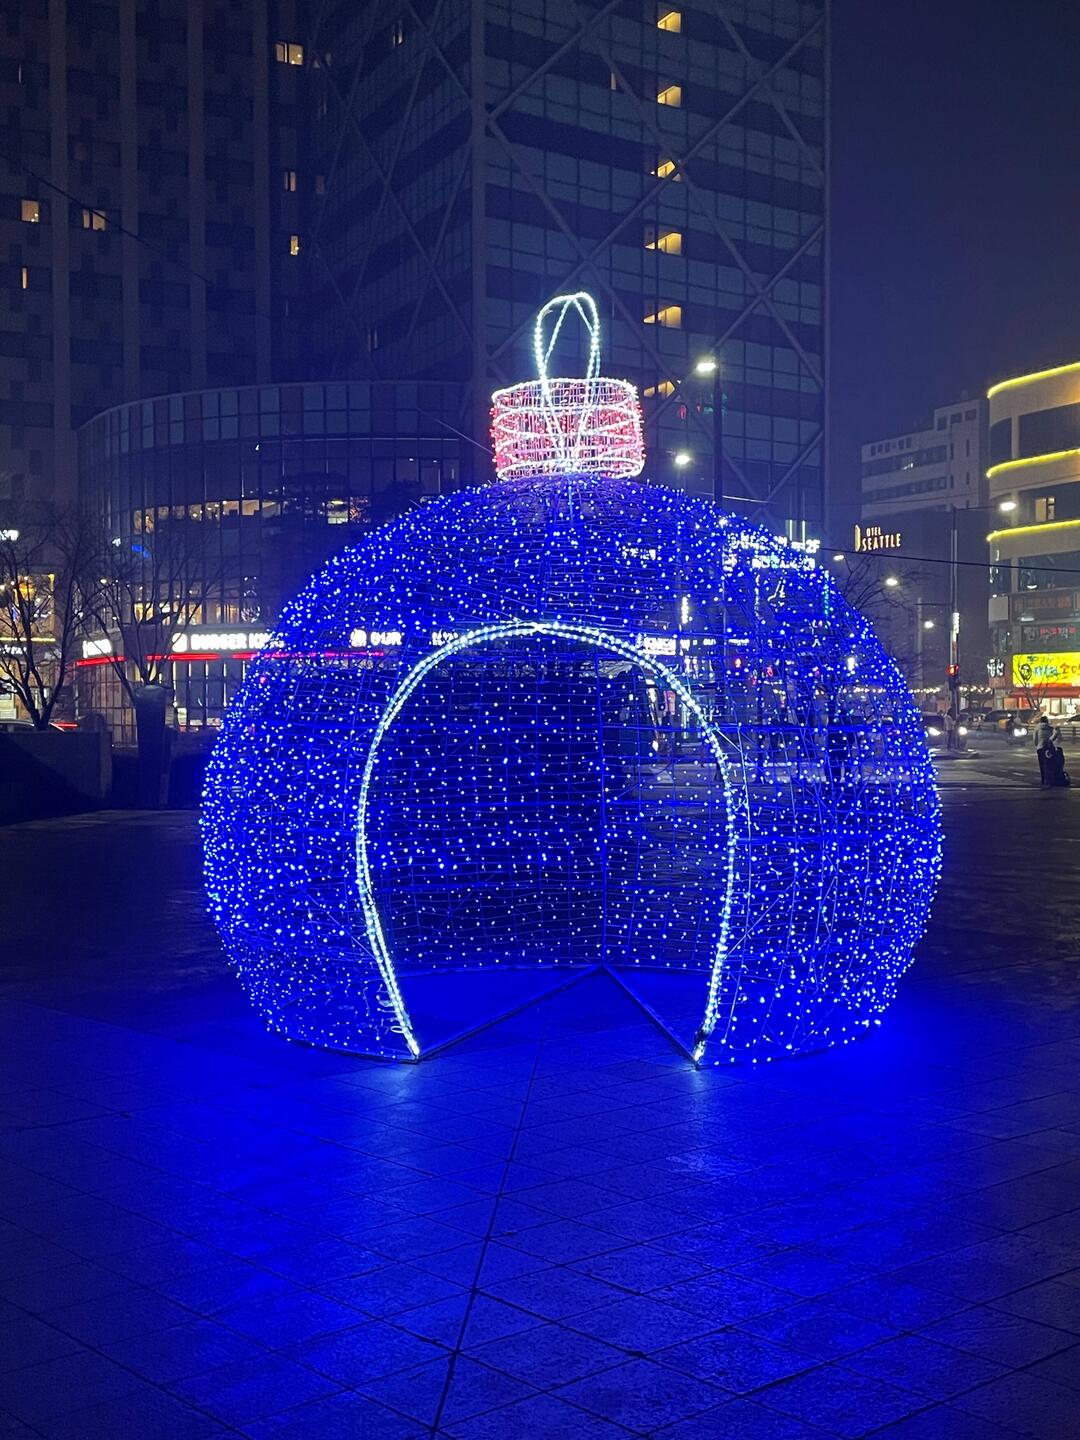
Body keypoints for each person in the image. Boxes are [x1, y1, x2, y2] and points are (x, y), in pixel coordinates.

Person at [1034, 713, 1059, 785]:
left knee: (1042, 764)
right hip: (1049, 748)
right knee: (1049, 764)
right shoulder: (1050, 728)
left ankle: (1043, 779)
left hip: (1040, 748)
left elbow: (1035, 739)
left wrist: (1037, 745)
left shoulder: (1037, 728)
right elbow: (1054, 736)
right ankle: (1050, 779)